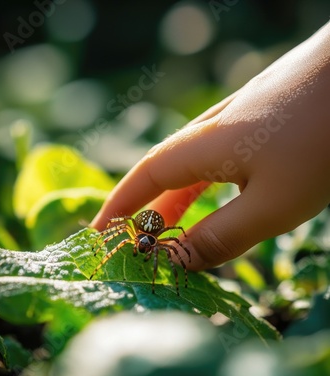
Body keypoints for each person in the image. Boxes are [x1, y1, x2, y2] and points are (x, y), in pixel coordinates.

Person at [91, 21, 330, 272]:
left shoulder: (162, 242)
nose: (143, 247)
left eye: (146, 245)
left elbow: (173, 236)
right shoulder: (135, 233)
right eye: (144, 245)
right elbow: (121, 224)